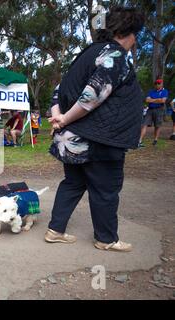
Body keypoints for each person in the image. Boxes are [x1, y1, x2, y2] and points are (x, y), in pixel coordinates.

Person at [47, 7, 145, 252]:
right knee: (105, 189)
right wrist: (65, 118)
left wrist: (58, 116)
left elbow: (60, 89)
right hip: (100, 139)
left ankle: (55, 230)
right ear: (128, 32)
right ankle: (106, 239)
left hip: (73, 139)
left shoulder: (86, 54)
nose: (136, 41)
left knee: (73, 183)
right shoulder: (116, 55)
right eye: (135, 35)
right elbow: (93, 94)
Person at [139, 79, 169, 147]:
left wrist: (152, 100)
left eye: (158, 83)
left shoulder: (164, 91)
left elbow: (162, 101)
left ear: (161, 84)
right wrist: (157, 99)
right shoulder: (151, 91)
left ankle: (155, 140)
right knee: (144, 124)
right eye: (156, 83)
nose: (157, 85)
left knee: (157, 126)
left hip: (159, 110)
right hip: (150, 110)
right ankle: (139, 141)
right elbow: (147, 100)